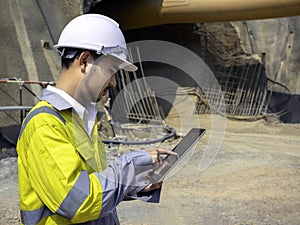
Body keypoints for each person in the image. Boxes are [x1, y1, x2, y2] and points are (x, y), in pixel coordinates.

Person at [16, 14, 176, 225]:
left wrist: (131, 185)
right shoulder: (45, 124)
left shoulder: (79, 119)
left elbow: (92, 185)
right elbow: (79, 202)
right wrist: (129, 166)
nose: (113, 82)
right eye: (111, 71)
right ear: (84, 61)